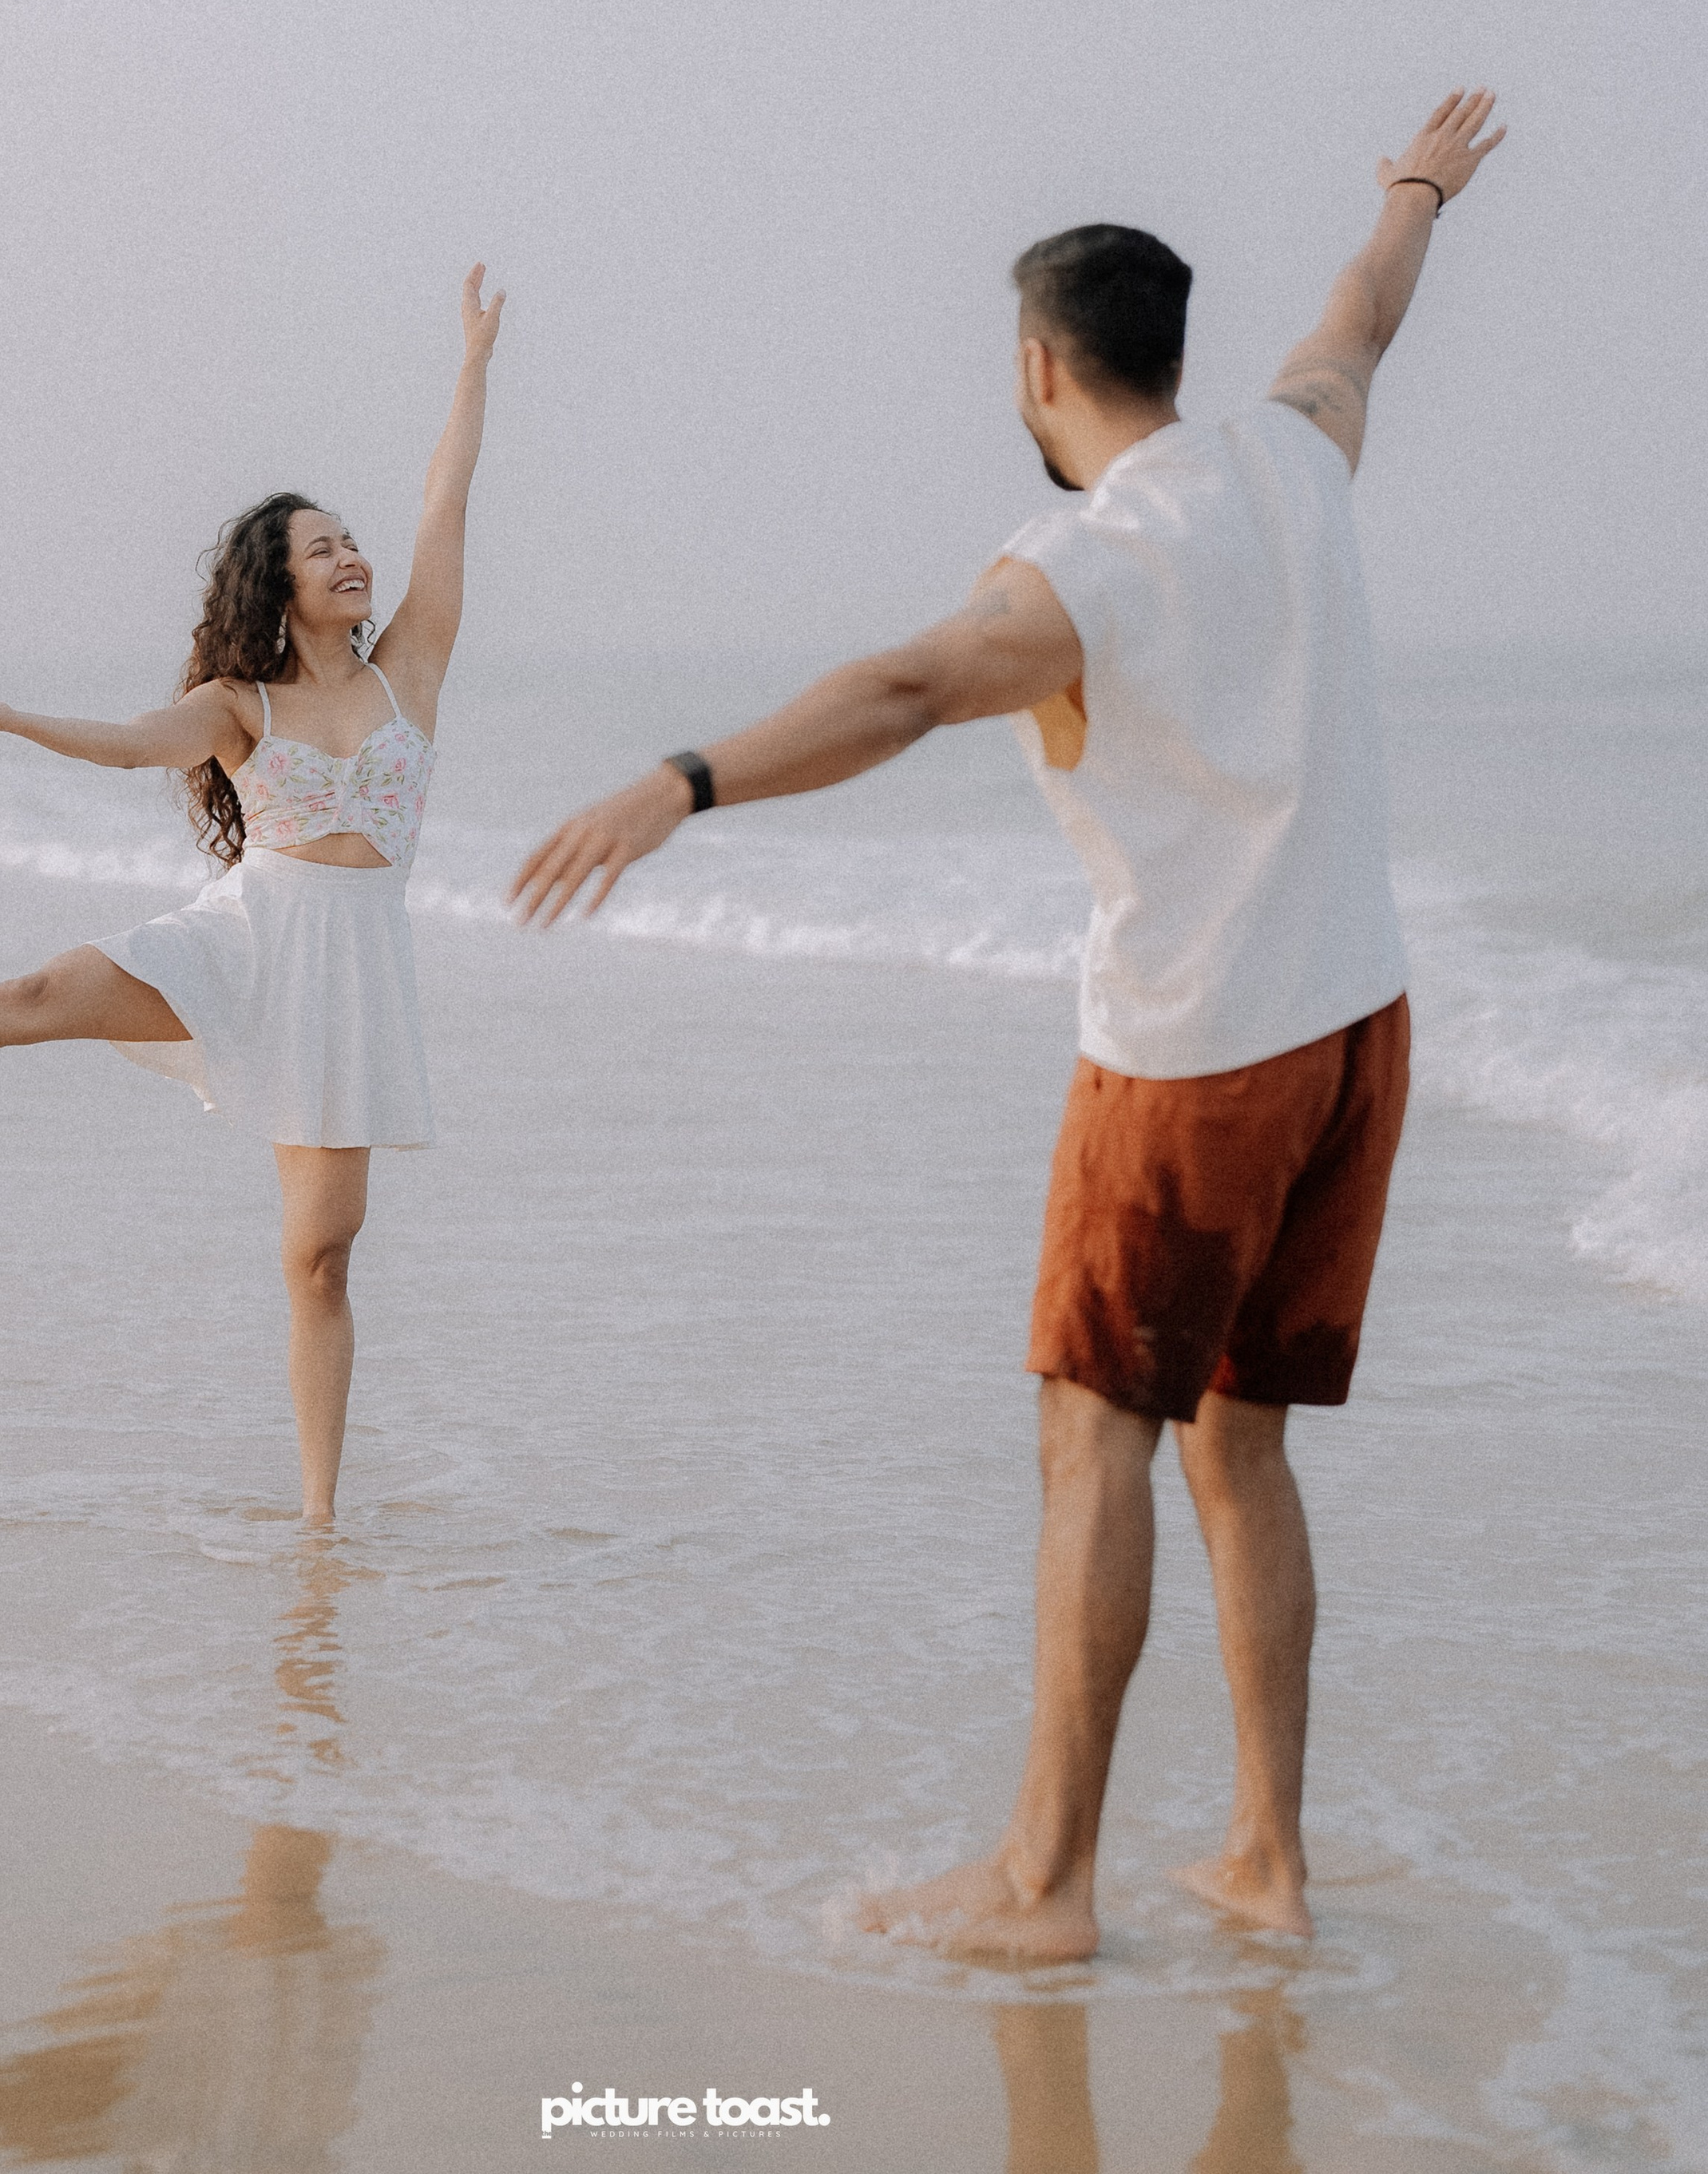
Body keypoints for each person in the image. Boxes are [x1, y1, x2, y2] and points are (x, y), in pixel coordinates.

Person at [511, 96, 1504, 1962]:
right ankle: (1263, 1865)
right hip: (1354, 1035)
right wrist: (1412, 189)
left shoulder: (1086, 568)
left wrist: (684, 779)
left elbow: (906, 687)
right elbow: (1360, 318)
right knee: (1239, 1446)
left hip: (1195, 1053)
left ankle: (1046, 1885)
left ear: (1037, 366)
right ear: (1171, 354)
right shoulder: (1291, 457)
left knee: (1092, 1438)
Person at [0, 267, 505, 1529]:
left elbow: (447, 502)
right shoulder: (242, 704)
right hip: (250, 939)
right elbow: (133, 744)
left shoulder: (413, 667)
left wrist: (470, 366)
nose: (351, 556)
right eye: (320, 547)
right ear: (276, 585)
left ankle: (319, 1524)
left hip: (351, 976)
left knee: (322, 1263)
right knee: (32, 995)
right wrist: (9, 716)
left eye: (351, 539)